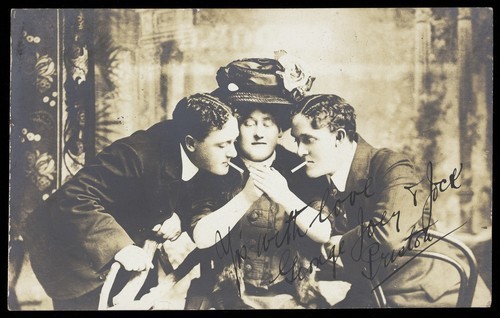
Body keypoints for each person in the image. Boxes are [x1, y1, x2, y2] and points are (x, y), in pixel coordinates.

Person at [24, 93, 240, 310]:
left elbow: (189, 191)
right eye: (223, 145)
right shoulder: (135, 155)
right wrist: (121, 248)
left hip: (134, 243)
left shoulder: (206, 155)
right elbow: (74, 197)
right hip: (72, 249)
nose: (232, 152)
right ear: (191, 143)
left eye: (234, 141)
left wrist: (179, 217)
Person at [288, 93, 491, 307]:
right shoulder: (322, 178)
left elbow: (387, 235)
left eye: (308, 140)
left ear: (338, 137)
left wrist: (340, 244)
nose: (300, 151)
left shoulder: (392, 166)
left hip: (430, 292)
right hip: (377, 290)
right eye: (296, 140)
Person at [184, 56, 332, 309]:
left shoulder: (300, 168)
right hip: (225, 293)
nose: (258, 133)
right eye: (248, 124)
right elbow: (201, 237)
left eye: (268, 123)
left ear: (281, 130)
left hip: (292, 294)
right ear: (234, 128)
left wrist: (285, 196)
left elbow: (323, 232)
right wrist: (246, 197)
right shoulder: (217, 168)